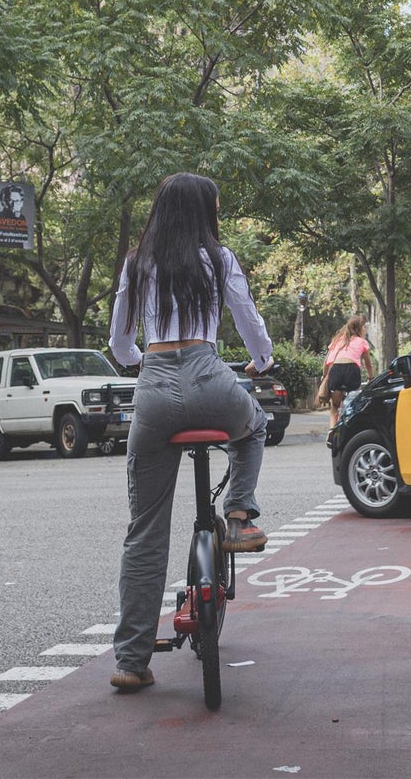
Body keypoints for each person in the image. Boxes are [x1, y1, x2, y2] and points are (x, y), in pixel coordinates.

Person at [106, 172, 274, 694]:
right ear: (205, 212)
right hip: (209, 377)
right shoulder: (218, 258)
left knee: (145, 531)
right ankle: (240, 517)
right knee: (253, 427)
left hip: (154, 388)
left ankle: (132, 661)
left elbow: (120, 341)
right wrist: (261, 359)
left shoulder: (137, 264)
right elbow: (246, 316)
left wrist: (143, 364)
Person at [319, 315, 373, 430]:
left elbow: (326, 362)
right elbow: (368, 364)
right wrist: (370, 377)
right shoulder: (362, 342)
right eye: (364, 327)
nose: (365, 329)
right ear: (359, 328)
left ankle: (332, 432)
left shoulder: (337, 340)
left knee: (335, 406)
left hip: (336, 370)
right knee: (353, 402)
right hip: (352, 371)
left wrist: (324, 377)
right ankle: (350, 429)